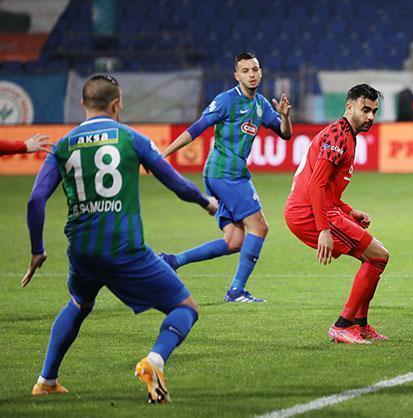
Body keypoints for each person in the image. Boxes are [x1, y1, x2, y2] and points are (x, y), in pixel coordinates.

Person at [23, 74, 219, 403]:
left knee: (79, 304)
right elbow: (175, 182)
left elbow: (35, 200)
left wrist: (37, 250)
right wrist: (206, 202)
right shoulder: (131, 138)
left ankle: (46, 379)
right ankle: (155, 361)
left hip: (82, 250)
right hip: (125, 249)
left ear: (83, 104)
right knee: (186, 308)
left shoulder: (64, 144)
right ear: (116, 104)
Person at [159, 52, 293, 303]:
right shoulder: (226, 101)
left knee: (234, 241)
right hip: (224, 174)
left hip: (231, 175)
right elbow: (197, 128)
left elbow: (285, 135)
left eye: (255, 69)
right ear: (237, 75)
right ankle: (236, 291)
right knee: (260, 227)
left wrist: (285, 116)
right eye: (245, 71)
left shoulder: (262, 104)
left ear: (260, 72)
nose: (251, 75)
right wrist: (164, 153)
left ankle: (172, 261)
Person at [284, 84, 390, 344]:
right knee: (378, 257)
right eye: (365, 110)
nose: (370, 117)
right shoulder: (338, 136)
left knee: (375, 257)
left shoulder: (345, 135)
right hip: (309, 212)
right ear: (349, 106)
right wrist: (324, 229)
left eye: (374, 111)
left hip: (318, 208)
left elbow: (327, 188)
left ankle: (360, 325)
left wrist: (349, 211)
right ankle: (343, 325)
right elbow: (316, 185)